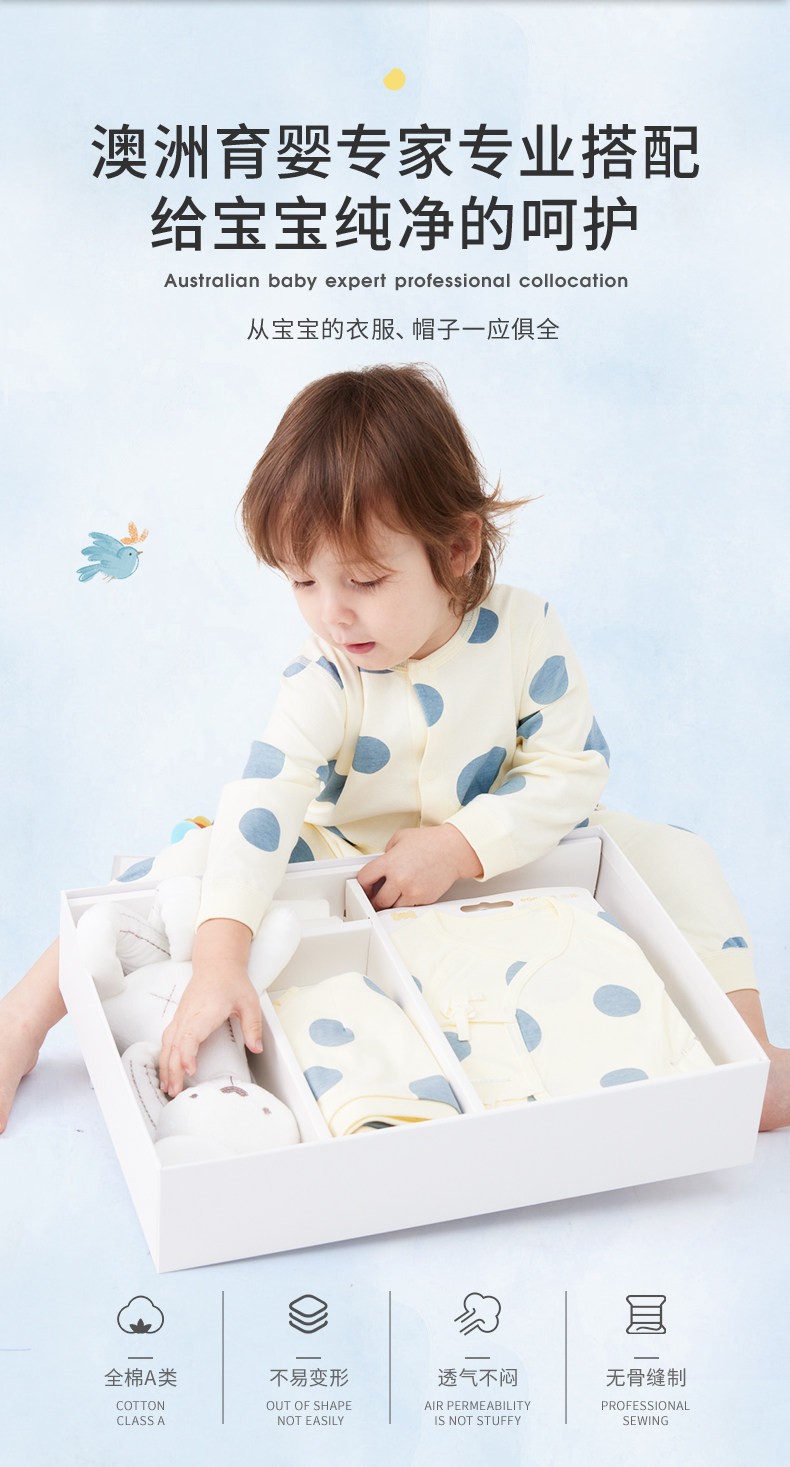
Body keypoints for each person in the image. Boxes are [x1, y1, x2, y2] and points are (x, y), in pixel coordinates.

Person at [1, 365, 787, 1132]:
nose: (332, 614)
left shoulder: (525, 629)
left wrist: (459, 844)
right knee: (194, 857)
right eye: (302, 582)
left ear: (458, 547)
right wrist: (219, 961)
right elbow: (265, 798)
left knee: (676, 855)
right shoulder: (326, 675)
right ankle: (22, 1018)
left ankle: (749, 1059)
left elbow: (570, 766)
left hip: (511, 850)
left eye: (365, 580)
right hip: (351, 859)